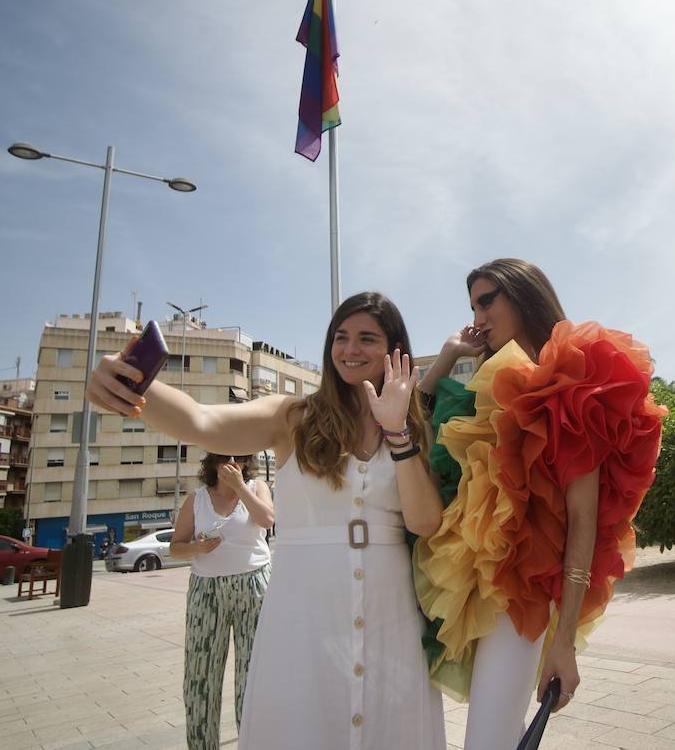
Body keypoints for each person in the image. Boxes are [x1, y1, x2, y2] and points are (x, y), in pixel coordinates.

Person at [88, 292, 446, 749]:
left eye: (366, 338)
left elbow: (425, 523)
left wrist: (397, 431)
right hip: (303, 607)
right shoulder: (293, 416)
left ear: (394, 350)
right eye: (340, 337)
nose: (350, 349)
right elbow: (202, 422)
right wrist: (136, 384)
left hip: (390, 607)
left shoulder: (415, 427)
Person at [415, 258, 664, 750]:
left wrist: (564, 643)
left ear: (523, 295)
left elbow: (583, 522)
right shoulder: (486, 385)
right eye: (471, 305)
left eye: (488, 300)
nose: (478, 316)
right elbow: (401, 438)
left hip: (521, 595)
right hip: (462, 585)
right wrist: (445, 357)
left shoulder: (572, 379)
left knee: (488, 743)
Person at [170, 453, 274, 750]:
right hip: (207, 589)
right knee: (200, 677)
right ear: (212, 463)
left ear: (245, 463)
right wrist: (197, 546)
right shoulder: (197, 499)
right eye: (224, 458)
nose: (231, 463)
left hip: (254, 585)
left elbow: (267, 519)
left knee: (252, 678)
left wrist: (241, 487)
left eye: (238, 458)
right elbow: (175, 547)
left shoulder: (256, 487)